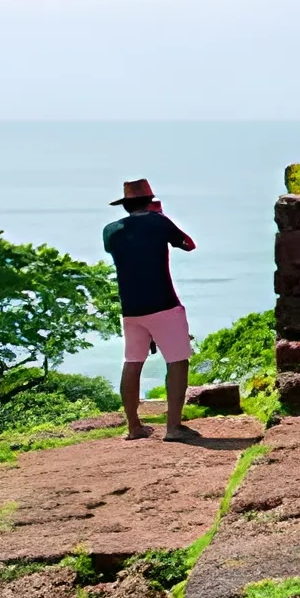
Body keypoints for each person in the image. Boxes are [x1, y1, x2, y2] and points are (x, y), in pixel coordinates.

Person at [102, 179, 199, 442]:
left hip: (131, 309)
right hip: (164, 304)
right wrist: (160, 216)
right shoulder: (159, 222)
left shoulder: (110, 231)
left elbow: (121, 248)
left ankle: (134, 427)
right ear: (149, 201)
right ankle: (173, 427)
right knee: (177, 361)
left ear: (125, 205)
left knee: (132, 362)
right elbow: (189, 244)